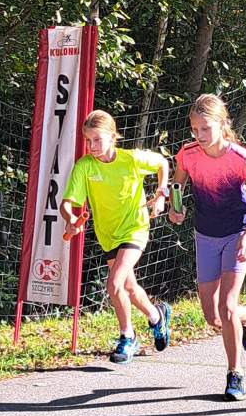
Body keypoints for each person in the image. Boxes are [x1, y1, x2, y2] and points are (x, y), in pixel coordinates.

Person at [168, 94, 246, 401]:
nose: (198, 135)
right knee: (214, 317)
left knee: (227, 306)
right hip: (205, 235)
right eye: (194, 129)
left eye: (205, 129)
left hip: (238, 234)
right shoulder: (187, 154)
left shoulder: (240, 158)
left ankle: (235, 374)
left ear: (223, 125)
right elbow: (177, 185)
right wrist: (176, 208)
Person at [61, 110, 172, 364]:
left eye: (97, 140)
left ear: (113, 137)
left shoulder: (131, 159)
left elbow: (162, 164)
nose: (92, 146)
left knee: (114, 284)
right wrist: (71, 220)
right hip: (107, 235)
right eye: (88, 141)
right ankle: (157, 316)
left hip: (135, 228)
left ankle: (128, 337)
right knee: (129, 288)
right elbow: (67, 203)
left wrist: (161, 194)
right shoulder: (85, 166)